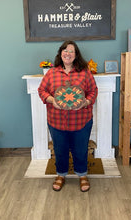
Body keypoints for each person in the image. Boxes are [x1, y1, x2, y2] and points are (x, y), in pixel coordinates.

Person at [38, 40, 98, 192]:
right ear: (60, 53)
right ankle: (61, 174)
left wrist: (86, 102)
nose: (68, 53)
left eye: (71, 51)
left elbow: (93, 90)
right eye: (65, 50)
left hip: (81, 121)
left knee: (80, 149)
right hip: (56, 121)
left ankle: (82, 175)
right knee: (60, 149)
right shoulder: (51, 73)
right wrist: (52, 100)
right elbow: (42, 90)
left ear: (76, 55)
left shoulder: (85, 72)